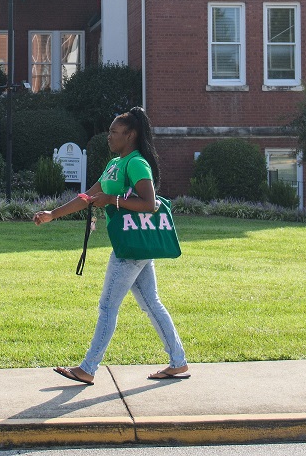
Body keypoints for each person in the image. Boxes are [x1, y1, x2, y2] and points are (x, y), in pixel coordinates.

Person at [33, 106, 189, 385]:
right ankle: (178, 362)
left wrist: (113, 201)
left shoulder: (137, 163)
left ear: (130, 135)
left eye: (114, 132)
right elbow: (88, 196)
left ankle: (88, 368)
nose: (109, 137)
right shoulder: (115, 164)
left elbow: (150, 204)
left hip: (130, 247)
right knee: (151, 303)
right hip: (134, 245)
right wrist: (52, 215)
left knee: (107, 306)